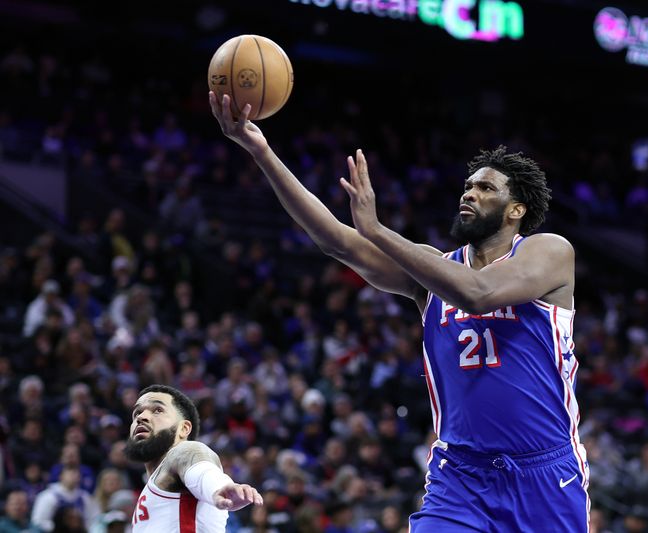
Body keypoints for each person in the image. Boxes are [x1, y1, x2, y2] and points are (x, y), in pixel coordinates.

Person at [210, 94, 590, 531]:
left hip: (545, 474)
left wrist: (375, 228)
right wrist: (260, 150)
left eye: (486, 188)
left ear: (516, 210)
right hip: (461, 477)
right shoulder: (430, 270)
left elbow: (479, 293)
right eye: (468, 185)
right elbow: (335, 239)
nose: (470, 193)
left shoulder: (548, 252)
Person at [124, 384, 262, 532]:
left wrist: (218, 487)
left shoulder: (186, 450)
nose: (141, 417)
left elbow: (200, 467)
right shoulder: (150, 489)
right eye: (137, 413)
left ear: (184, 429)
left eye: (158, 410)